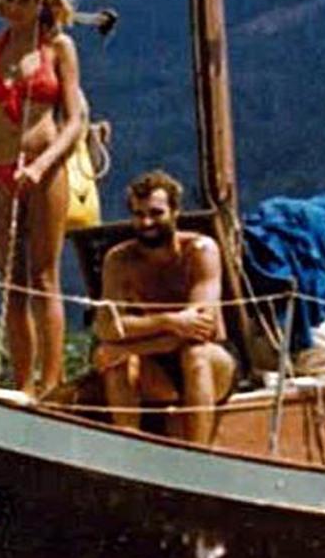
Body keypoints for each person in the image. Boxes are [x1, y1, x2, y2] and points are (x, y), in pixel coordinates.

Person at [0, 0, 87, 397]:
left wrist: (41, 166)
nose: (16, 7)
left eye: (26, 0)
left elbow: (73, 120)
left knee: (44, 277)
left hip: (46, 166)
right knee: (11, 283)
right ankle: (21, 383)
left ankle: (51, 383)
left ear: (44, 3)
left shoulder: (59, 48)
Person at [93, 170, 238, 444]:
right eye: (138, 214)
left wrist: (127, 345)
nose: (146, 222)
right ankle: (127, 448)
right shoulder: (119, 260)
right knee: (117, 363)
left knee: (195, 355)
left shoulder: (200, 251)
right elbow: (108, 326)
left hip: (211, 363)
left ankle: (199, 454)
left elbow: (200, 329)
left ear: (175, 212)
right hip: (156, 368)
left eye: (156, 213)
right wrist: (171, 321)